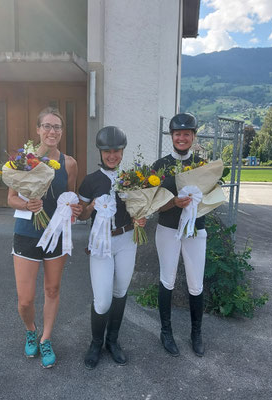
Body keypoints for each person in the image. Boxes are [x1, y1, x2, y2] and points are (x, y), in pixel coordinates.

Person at [7, 107, 82, 368]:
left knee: (52, 289)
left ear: (62, 132)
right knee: (25, 299)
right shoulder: (23, 160)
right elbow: (11, 199)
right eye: (47, 126)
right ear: (38, 130)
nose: (52, 131)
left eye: (57, 127)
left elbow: (70, 198)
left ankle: (46, 338)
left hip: (57, 236)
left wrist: (75, 209)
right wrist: (27, 206)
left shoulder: (69, 163)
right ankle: (31, 329)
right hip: (27, 233)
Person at [77, 126, 146, 369]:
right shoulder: (90, 181)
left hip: (127, 240)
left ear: (123, 151)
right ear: (100, 151)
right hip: (101, 243)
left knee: (120, 291)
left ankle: (112, 341)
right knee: (103, 300)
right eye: (107, 151)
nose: (112, 155)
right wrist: (90, 206)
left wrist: (141, 217)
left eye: (116, 150)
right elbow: (82, 215)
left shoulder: (132, 178)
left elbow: (140, 207)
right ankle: (96, 343)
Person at [152, 112, 206, 358]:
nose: (182, 138)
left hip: (196, 230)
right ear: (171, 136)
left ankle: (196, 333)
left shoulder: (203, 166)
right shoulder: (159, 166)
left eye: (186, 134)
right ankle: (166, 332)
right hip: (168, 229)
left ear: (193, 137)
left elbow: (210, 201)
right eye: (177, 134)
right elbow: (154, 206)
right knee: (167, 280)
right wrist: (173, 202)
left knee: (196, 283)